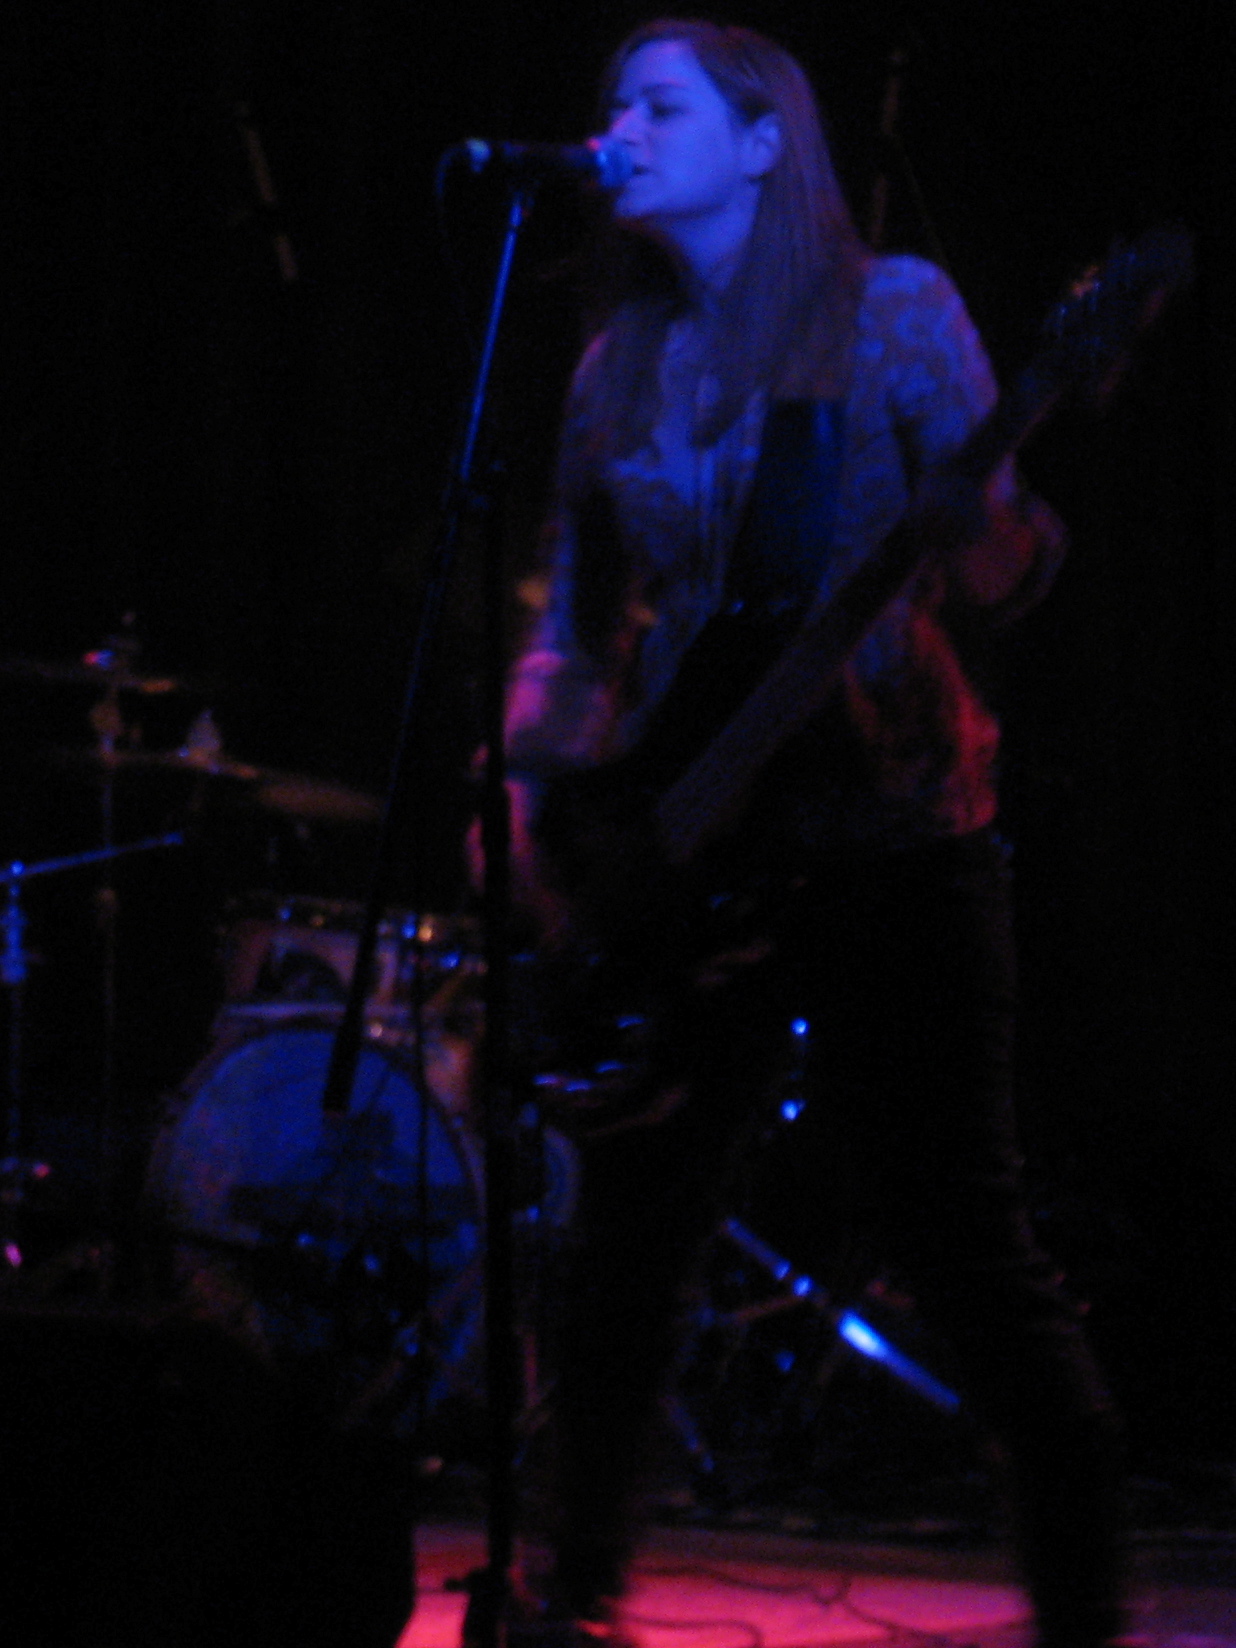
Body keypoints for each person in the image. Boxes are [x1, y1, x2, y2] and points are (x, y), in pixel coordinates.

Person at [487, 19, 1127, 1648]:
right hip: (690, 846)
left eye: (659, 105)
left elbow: (1004, 578)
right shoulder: (617, 365)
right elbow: (579, 621)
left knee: (961, 1238)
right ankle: (574, 1593)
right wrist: (538, 794)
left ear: (766, 141)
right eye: (612, 105)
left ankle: (1083, 1599)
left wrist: (979, 524)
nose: (619, 130)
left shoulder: (895, 313)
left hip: (890, 832)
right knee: (625, 1251)